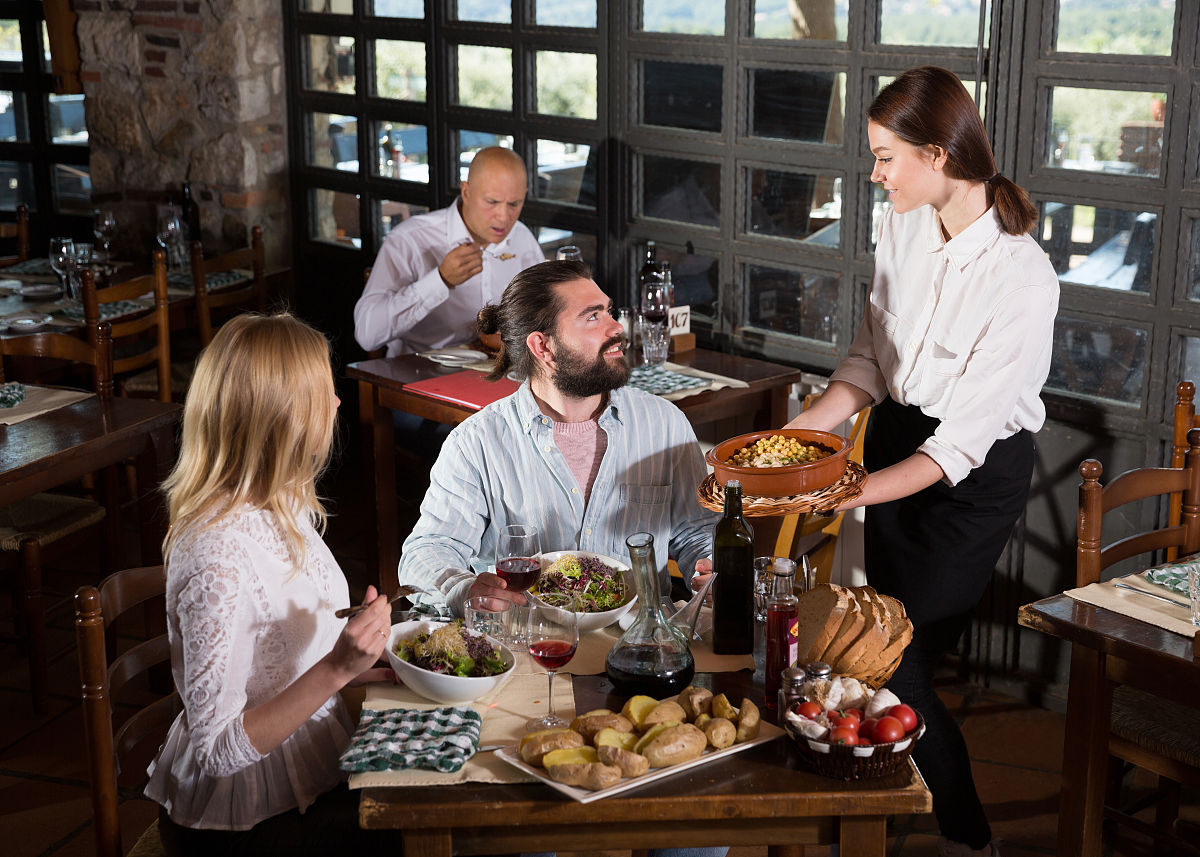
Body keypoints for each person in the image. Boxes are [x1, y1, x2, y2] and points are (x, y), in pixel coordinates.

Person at [781, 67, 1058, 857]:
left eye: (884, 157)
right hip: (896, 441)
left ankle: (968, 837)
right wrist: (800, 442)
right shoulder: (901, 221)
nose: (874, 174)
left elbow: (961, 445)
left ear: (938, 155)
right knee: (873, 654)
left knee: (897, 664)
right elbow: (870, 360)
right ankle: (874, 810)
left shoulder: (1022, 276)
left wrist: (840, 491)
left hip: (971, 479)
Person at [145, 313, 395, 856]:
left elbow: (286, 658)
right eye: (322, 393)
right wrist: (338, 669)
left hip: (307, 774)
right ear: (281, 416)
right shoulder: (216, 555)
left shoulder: (281, 498)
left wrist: (375, 660)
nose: (334, 404)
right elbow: (217, 750)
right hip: (243, 825)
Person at [398, 259, 716, 619]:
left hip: (640, 648)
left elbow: (698, 530)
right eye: (593, 317)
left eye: (608, 312)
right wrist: (464, 587)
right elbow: (428, 551)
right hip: (528, 646)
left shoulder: (664, 424)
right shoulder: (475, 443)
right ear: (543, 347)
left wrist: (710, 569)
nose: (617, 328)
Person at [354, 145, 545, 358]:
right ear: (466, 192)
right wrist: (440, 280)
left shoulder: (521, 237)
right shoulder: (410, 239)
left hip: (500, 372)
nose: (503, 216)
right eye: (492, 202)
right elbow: (367, 334)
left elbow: (543, 313)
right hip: (419, 373)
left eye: (514, 204)